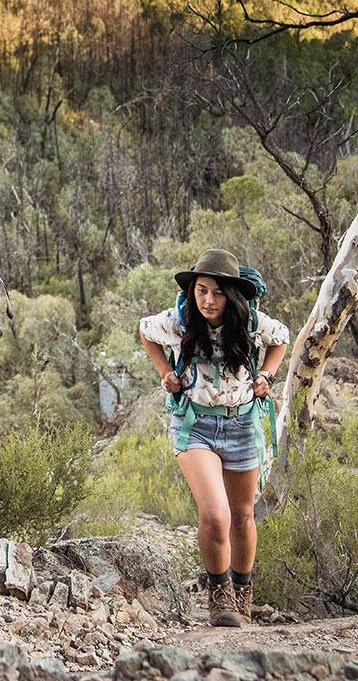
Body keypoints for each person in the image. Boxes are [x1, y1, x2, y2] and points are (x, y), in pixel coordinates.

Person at [138, 248, 289, 627]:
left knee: (242, 516)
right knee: (216, 515)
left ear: (232, 296)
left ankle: (243, 593)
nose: (207, 300)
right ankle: (219, 596)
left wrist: (266, 377)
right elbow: (145, 331)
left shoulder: (252, 322)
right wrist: (164, 372)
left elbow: (282, 339)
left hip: (241, 424)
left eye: (217, 292)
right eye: (201, 290)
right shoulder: (179, 320)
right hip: (195, 425)